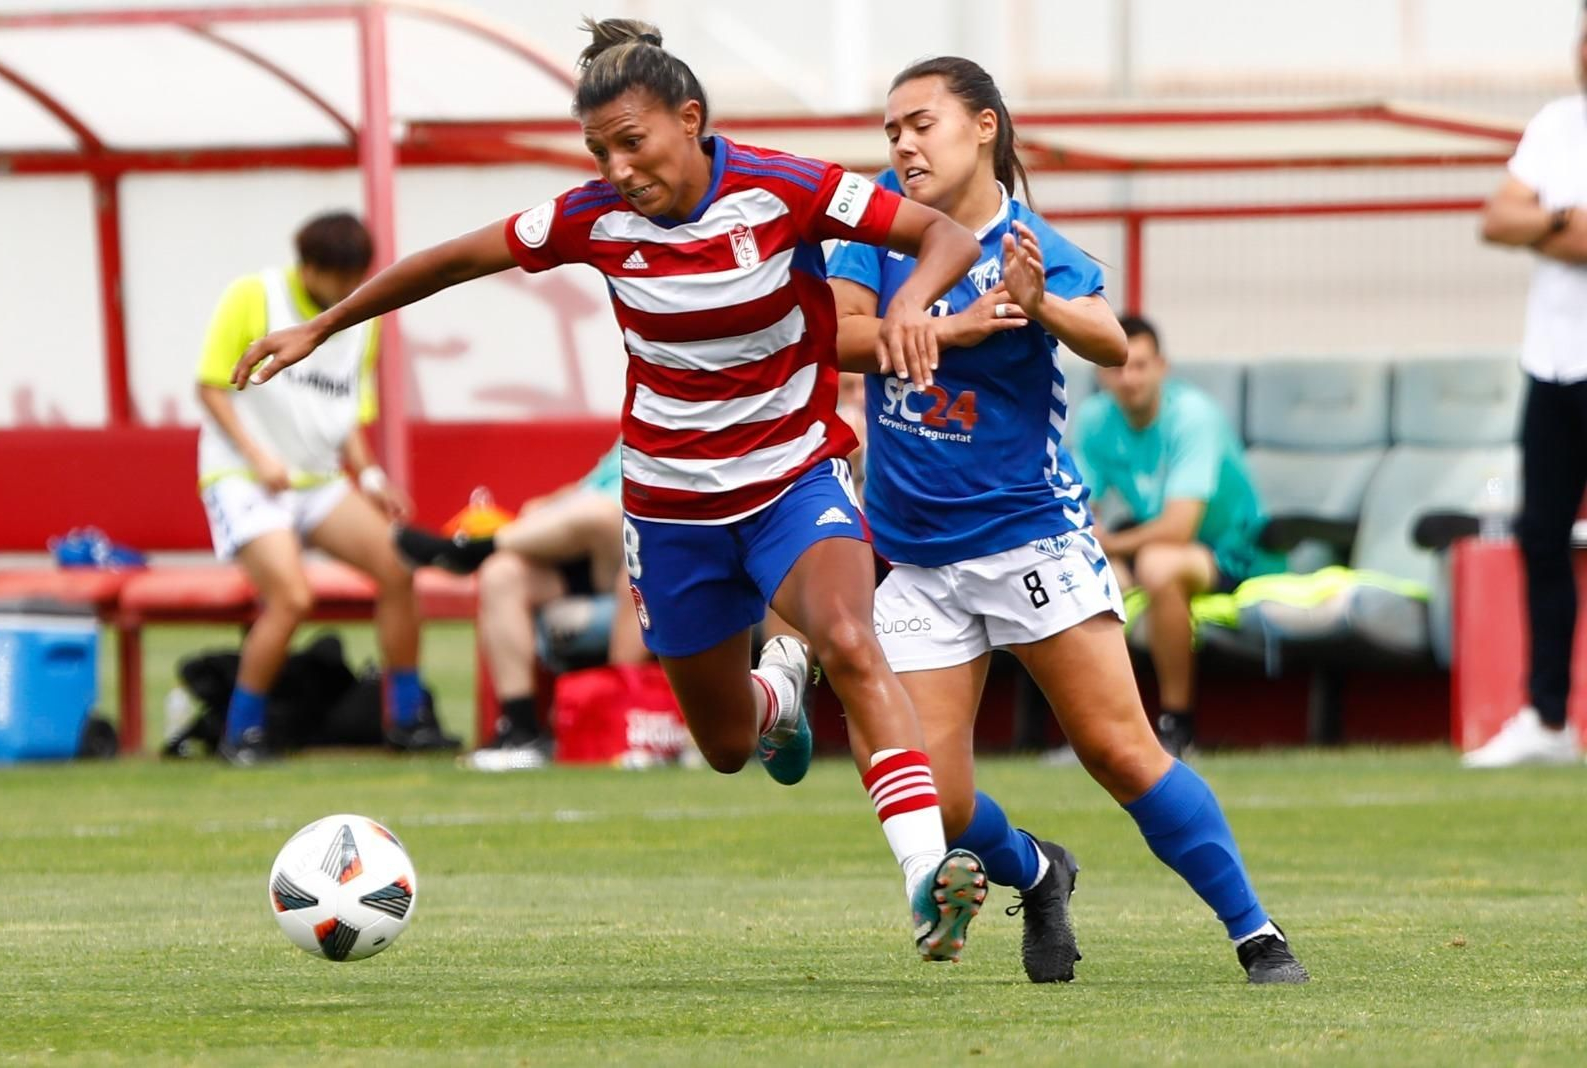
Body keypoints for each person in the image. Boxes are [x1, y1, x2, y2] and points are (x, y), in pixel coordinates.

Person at [232, 18, 993, 961]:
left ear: (690, 118)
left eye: (633, 142)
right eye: (600, 151)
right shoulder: (591, 217)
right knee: (724, 744)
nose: (619, 168)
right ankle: (775, 696)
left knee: (847, 637)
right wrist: (323, 327)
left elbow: (942, 234)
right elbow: (453, 260)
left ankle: (925, 882)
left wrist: (910, 301)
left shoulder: (787, 187)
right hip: (670, 509)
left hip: (795, 477)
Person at [828, 56, 1307, 984]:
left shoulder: (1030, 244)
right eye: (892, 130)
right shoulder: (873, 222)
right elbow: (839, 334)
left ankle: (1256, 933)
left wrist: (1036, 298)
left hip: (1028, 542)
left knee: (1120, 753)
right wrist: (949, 328)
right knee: (934, 800)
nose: (903, 145)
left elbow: (1111, 341)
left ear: (984, 128)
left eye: (922, 124)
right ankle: (1041, 873)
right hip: (918, 561)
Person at [195, 211, 459, 765]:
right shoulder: (255, 296)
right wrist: (258, 457)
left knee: (399, 569)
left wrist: (371, 477)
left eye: (355, 277)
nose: (347, 288)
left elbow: (345, 414)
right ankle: (241, 733)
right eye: (338, 276)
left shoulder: (362, 318)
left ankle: (407, 720)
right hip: (245, 479)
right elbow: (211, 387)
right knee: (292, 596)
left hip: (318, 480)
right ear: (308, 266)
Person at [1071, 315, 1284, 757]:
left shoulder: (1193, 417)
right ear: (1100, 373)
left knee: (1158, 564)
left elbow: (1178, 528)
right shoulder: (1093, 419)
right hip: (1148, 542)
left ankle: (1176, 728)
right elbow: (1080, 509)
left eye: (1139, 365)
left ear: (1162, 367)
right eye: (1116, 367)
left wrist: (1109, 544)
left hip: (1236, 553)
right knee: (1084, 571)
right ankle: (1099, 734)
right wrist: (1095, 547)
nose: (1129, 379)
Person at [1467, 11, 1587, 768]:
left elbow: (1534, 225)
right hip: (1552, 367)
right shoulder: (1554, 123)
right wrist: (1562, 219)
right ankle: (1548, 719)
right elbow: (1494, 219)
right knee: (1541, 538)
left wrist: (1542, 221)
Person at [395, 439, 650, 771]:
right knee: (500, 574)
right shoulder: (633, 427)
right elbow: (590, 488)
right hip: (590, 558)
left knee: (602, 516)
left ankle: (472, 550)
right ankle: (521, 730)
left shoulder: (688, 426)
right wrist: (550, 510)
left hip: (638, 559)